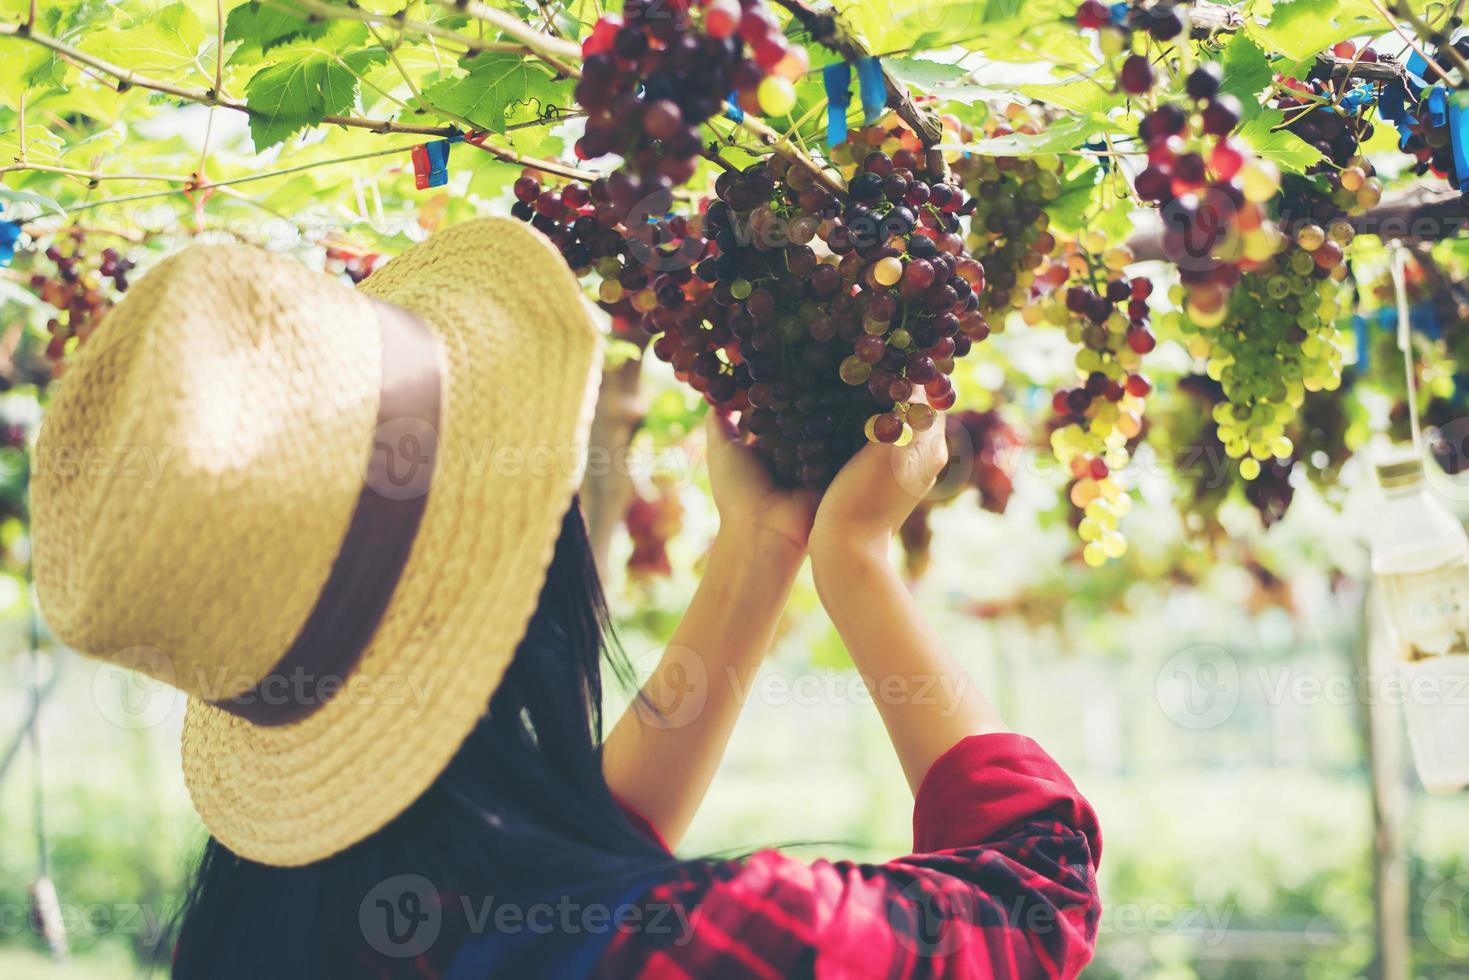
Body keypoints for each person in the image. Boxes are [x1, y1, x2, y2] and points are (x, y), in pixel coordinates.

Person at [31, 217, 1101, 979]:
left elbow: (569, 880)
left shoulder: (287, 926)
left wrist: (758, 553)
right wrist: (856, 561)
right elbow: (1031, 892)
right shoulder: (717, 937)